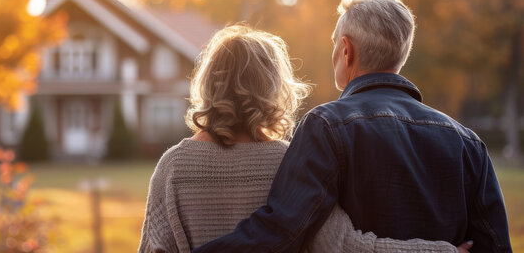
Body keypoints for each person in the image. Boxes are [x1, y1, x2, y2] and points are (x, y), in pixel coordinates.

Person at [192, 0, 512, 253]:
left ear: (346, 50)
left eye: (335, 43)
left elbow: (282, 231)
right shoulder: (466, 142)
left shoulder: (325, 127)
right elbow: (494, 244)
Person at [139, 25, 460, 253]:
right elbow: (343, 246)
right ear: (273, 87)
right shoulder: (292, 162)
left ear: (208, 83)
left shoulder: (173, 167)